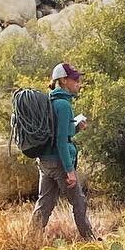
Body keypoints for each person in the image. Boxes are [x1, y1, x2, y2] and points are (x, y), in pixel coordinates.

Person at [31, 61, 95, 239]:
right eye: (75, 80)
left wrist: (75, 127)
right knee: (79, 201)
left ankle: (30, 238)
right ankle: (89, 239)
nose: (78, 83)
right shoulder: (64, 105)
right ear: (64, 81)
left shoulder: (51, 100)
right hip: (59, 161)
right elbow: (61, 142)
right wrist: (69, 171)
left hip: (45, 160)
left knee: (44, 203)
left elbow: (59, 133)